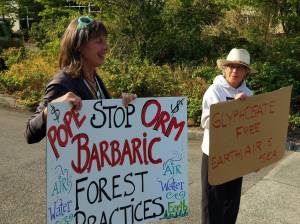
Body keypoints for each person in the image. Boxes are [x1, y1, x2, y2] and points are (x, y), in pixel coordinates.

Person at [24, 16, 136, 143]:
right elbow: (30, 134)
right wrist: (53, 108)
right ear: (80, 46)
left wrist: (121, 106)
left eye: (105, 41)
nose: (106, 47)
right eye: (99, 41)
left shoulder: (95, 79)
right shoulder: (62, 83)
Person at [201, 48, 255, 224]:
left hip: (237, 157)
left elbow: (253, 128)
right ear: (224, 69)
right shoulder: (214, 91)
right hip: (214, 156)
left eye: (240, 68)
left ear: (246, 72)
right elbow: (206, 122)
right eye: (231, 66)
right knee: (212, 204)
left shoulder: (250, 95)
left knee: (231, 204)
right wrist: (232, 109)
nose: (235, 71)